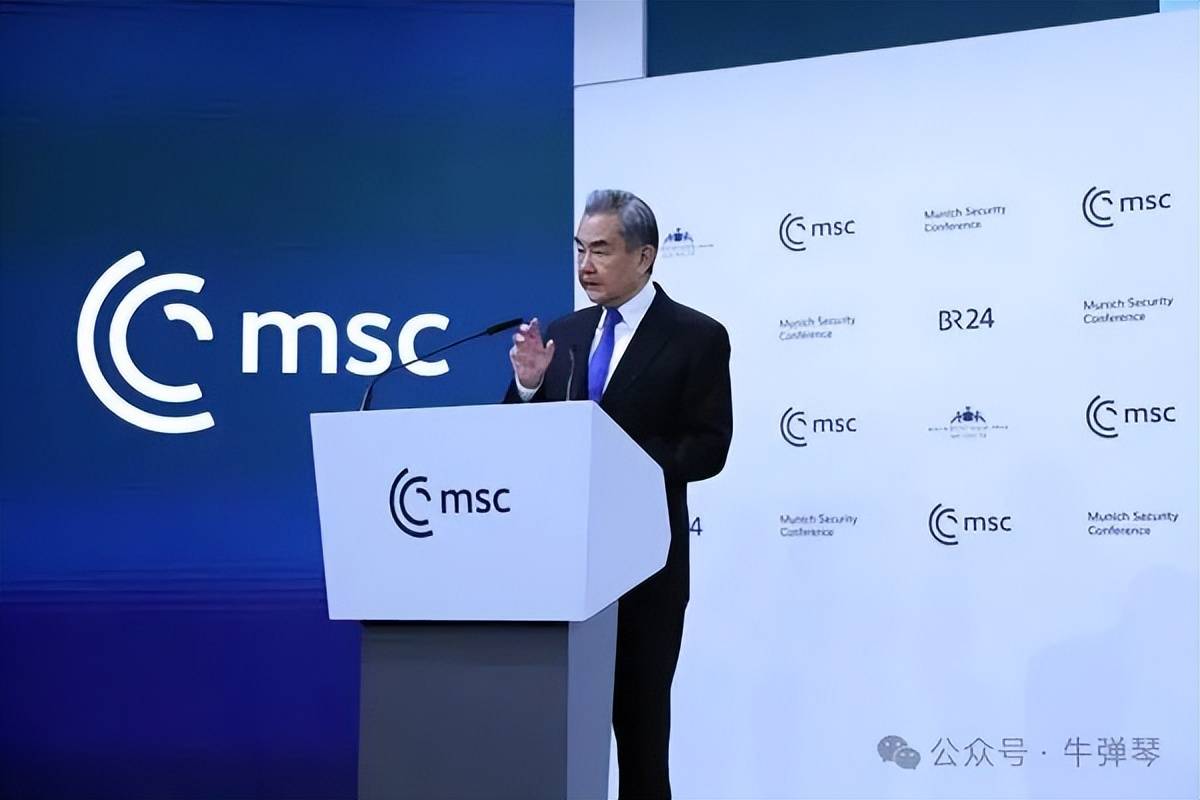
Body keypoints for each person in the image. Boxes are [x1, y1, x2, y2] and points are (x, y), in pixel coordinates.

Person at [504, 189, 733, 799]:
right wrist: (528, 387)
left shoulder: (696, 336)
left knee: (640, 741)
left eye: (601, 251)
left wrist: (621, 460)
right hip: (560, 569)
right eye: (580, 249)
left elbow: (708, 448)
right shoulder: (565, 333)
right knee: (552, 738)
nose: (586, 265)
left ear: (645, 256)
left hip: (644, 572)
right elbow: (521, 446)